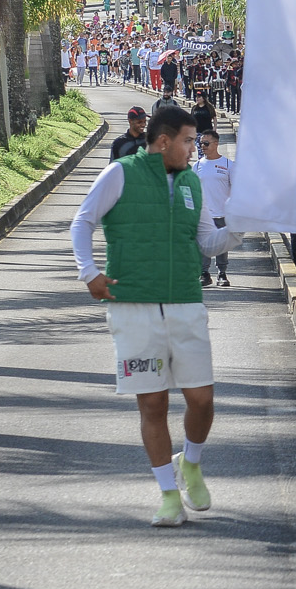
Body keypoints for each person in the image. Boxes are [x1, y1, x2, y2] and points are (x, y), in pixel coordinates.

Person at [69, 103, 236, 526]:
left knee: (202, 399)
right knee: (154, 405)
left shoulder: (192, 184)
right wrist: (89, 272)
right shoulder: (120, 173)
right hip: (133, 306)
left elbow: (210, 243)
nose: (192, 149)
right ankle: (167, 494)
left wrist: (240, 224)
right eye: (186, 141)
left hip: (185, 302)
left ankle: (192, 462)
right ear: (163, 141)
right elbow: (83, 221)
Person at [194, 129, 232, 289]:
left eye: (206, 143)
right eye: (201, 143)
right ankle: (204, 274)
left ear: (216, 144)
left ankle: (222, 274)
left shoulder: (228, 165)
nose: (202, 146)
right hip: (203, 214)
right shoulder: (197, 166)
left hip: (222, 213)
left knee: (222, 246)